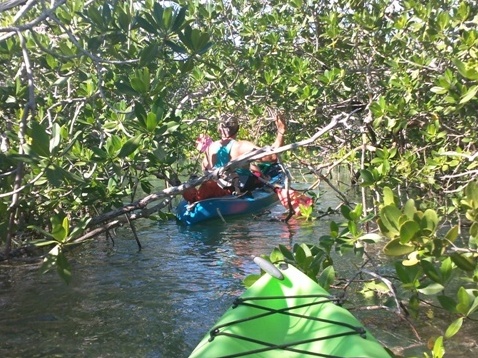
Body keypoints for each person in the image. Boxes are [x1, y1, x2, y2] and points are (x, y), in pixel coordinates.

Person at [183, 111, 287, 203]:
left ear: (219, 129)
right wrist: (281, 130)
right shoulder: (242, 146)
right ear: (237, 129)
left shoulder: (210, 148)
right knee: (260, 176)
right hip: (235, 187)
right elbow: (272, 157)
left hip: (216, 185)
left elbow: (205, 168)